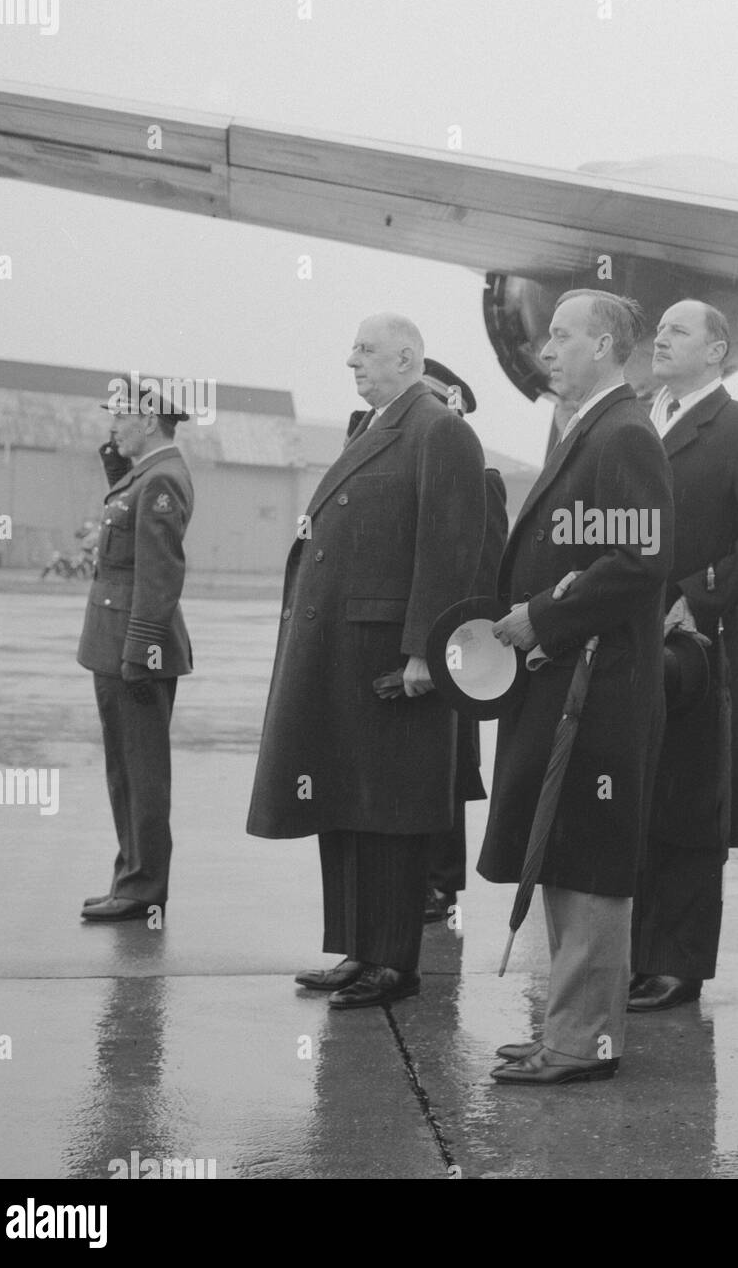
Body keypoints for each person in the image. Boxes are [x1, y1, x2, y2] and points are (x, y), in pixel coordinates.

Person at [246, 314, 486, 1008]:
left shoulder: (439, 429)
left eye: (365, 349)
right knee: (346, 804)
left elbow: (449, 547)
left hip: (388, 659)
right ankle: (357, 949)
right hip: (347, 654)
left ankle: (394, 962)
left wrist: (422, 650)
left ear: (407, 357)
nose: (351, 359)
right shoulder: (378, 423)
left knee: (391, 814)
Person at [480, 289, 672, 1085]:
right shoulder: (588, 429)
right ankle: (568, 1024)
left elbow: (638, 563)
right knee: (562, 854)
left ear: (605, 347)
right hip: (568, 683)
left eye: (561, 336)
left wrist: (541, 615)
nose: (544, 350)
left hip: (597, 684)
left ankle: (584, 1039)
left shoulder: (623, 434)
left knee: (589, 864)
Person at [628, 299, 738, 1012]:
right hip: (625, 640)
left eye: (678, 331)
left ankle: (678, 961)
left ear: (718, 350)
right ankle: (635, 951)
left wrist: (700, 595)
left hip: (694, 648)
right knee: (631, 797)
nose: (660, 338)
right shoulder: (632, 417)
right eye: (659, 329)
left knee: (689, 803)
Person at [77, 379, 194, 922]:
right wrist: (114, 453)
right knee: (125, 770)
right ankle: (130, 877)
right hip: (115, 644)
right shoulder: (146, 475)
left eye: (121, 417)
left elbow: (158, 576)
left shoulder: (163, 480)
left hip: (135, 647)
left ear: (149, 421)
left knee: (143, 772)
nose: (112, 426)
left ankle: (144, 887)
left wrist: (141, 650)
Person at [414, 358, 510, 925]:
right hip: (408, 645)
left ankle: (440, 885)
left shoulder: (478, 479)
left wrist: (461, 654)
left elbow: (487, 571)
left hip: (448, 649)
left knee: (444, 770)